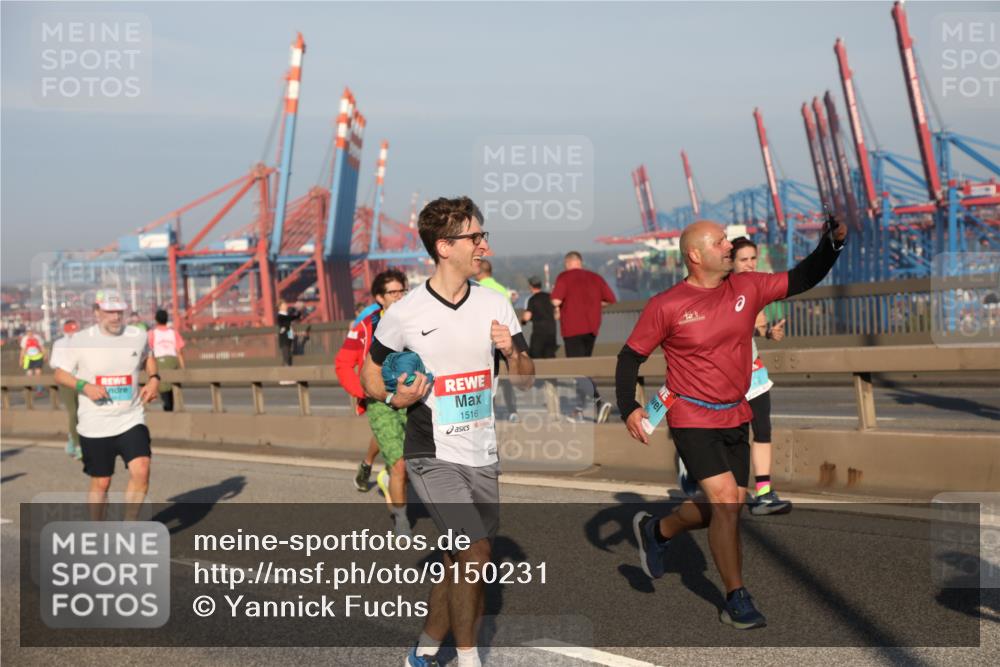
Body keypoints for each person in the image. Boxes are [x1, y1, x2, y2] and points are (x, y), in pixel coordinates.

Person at [616, 216, 846, 630]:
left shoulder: (748, 286)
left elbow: (802, 278)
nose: (729, 246)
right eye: (720, 241)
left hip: (735, 412)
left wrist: (832, 244)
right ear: (695, 255)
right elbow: (629, 357)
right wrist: (628, 406)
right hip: (690, 415)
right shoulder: (666, 305)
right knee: (726, 502)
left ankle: (658, 530)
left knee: (728, 505)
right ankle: (736, 596)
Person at [361, 196, 534, 667]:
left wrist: (512, 352)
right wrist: (396, 398)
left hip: (482, 451)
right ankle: (468, 657)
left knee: (463, 560)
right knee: (474, 551)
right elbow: (368, 373)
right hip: (431, 452)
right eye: (474, 237)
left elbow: (525, 375)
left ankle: (425, 647)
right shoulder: (406, 312)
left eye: (482, 235)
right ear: (444, 246)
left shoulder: (495, 302)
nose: (482, 244)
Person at [52, 289, 161, 521]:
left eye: (119, 312)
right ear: (96, 312)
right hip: (95, 423)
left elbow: (148, 357)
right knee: (102, 482)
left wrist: (153, 379)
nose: (115, 317)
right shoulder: (80, 340)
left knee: (141, 469)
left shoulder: (137, 335)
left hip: (130, 417)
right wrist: (84, 386)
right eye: (109, 312)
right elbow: (60, 374)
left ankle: (129, 527)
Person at [335, 269, 412, 535]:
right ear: (380, 298)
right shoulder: (365, 328)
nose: (400, 296)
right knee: (400, 462)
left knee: (420, 461)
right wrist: (364, 390)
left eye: (403, 290)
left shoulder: (419, 321)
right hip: (380, 401)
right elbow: (343, 363)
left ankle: (385, 474)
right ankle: (401, 521)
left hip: (413, 397)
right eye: (393, 292)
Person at [730, 237, 791, 515]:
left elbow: (756, 328)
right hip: (727, 375)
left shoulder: (757, 288)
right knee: (734, 435)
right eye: (743, 259)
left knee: (763, 429)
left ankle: (764, 493)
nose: (750, 264)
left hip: (753, 372)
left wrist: (769, 333)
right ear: (730, 263)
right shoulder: (722, 290)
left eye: (753, 258)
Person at [551, 251, 616, 423]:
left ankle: (599, 402)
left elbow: (556, 300)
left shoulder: (564, 277)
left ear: (567, 263)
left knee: (577, 370)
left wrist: (558, 306)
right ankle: (578, 409)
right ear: (580, 262)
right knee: (584, 369)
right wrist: (594, 304)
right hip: (592, 328)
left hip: (572, 328)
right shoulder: (595, 277)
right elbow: (610, 300)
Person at [476, 258, 519, 422]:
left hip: (488, 340)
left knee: (487, 379)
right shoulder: (501, 289)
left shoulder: (479, 289)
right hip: (506, 337)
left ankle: (488, 410)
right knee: (507, 379)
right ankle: (512, 410)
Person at [522, 275, 560, 419]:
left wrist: (522, 320)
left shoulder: (532, 300)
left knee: (535, 360)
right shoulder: (550, 297)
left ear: (531, 286)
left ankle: (539, 387)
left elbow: (527, 316)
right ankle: (552, 387)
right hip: (551, 333)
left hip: (538, 334)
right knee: (550, 360)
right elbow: (557, 314)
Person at [50, 319, 82, 459]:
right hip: (69, 380)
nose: (72, 332)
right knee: (75, 412)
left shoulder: (81, 342)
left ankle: (74, 438)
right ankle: (76, 443)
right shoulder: (60, 344)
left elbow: (53, 363)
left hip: (79, 380)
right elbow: (53, 363)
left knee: (79, 412)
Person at [148, 309, 186, 412]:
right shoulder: (173, 333)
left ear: (156, 320)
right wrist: (183, 367)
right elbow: (179, 351)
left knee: (163, 388)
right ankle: (171, 406)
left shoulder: (152, 333)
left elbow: (149, 351)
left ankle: (167, 407)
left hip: (159, 362)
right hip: (173, 361)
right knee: (173, 388)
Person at [19, 327, 47, 394]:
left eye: (30, 331)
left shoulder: (37, 338)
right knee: (29, 374)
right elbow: (23, 350)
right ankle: (28, 389)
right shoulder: (24, 339)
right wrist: (21, 359)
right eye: (28, 331)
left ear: (32, 331)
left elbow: (42, 347)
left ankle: (39, 390)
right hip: (28, 358)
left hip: (37, 357)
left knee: (38, 373)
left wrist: (45, 355)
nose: (29, 333)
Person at [276, 300, 302, 366]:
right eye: (284, 305)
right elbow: (284, 324)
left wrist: (298, 310)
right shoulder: (280, 315)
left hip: (289, 334)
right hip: (284, 336)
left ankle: (287, 367)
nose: (286, 306)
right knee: (286, 352)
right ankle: (285, 368)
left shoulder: (287, 315)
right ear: (280, 307)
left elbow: (296, 317)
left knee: (290, 352)